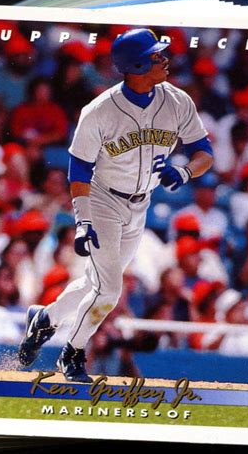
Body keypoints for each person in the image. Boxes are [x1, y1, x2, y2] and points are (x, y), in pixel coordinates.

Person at [18, 28, 214, 382]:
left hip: (141, 204)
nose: (165, 59)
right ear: (137, 66)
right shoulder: (99, 110)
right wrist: (83, 221)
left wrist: (186, 172)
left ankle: (45, 319)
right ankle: (72, 353)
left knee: (95, 282)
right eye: (156, 56)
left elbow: (204, 153)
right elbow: (79, 169)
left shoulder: (178, 100)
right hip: (103, 199)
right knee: (109, 290)